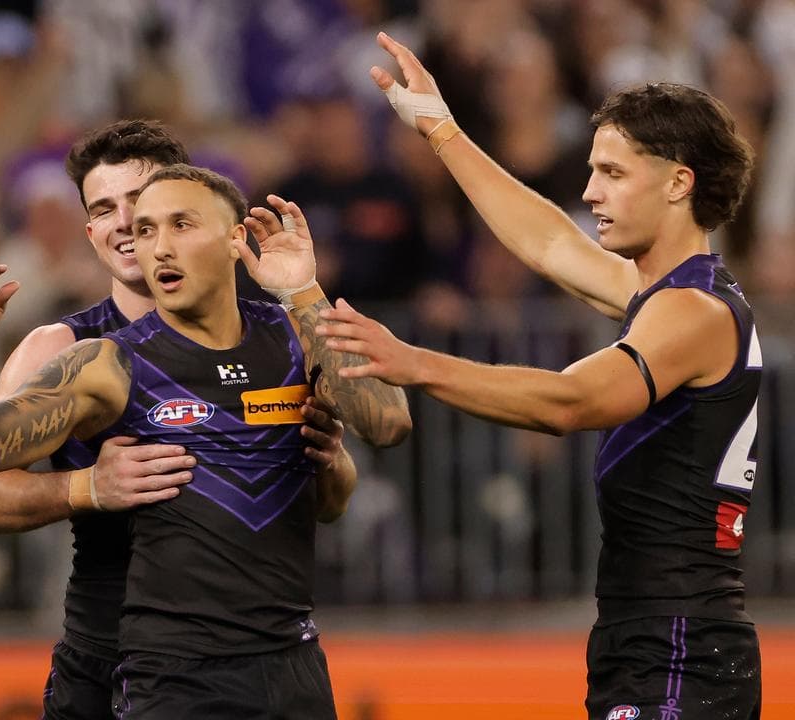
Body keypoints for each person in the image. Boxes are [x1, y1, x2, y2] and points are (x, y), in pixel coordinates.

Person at [317, 32, 762, 719]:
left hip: (681, 647)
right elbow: (550, 242)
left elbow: (572, 400)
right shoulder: (675, 297)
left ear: (679, 182)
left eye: (613, 172)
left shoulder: (693, 313)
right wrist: (440, 128)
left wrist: (416, 363)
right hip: (651, 639)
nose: (591, 190)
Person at [0, 164, 411, 718]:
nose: (157, 247)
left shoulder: (294, 335)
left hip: (294, 666)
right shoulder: (108, 363)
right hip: (176, 679)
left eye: (181, 225)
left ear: (235, 239)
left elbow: (388, 424)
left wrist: (304, 290)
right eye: (148, 230)